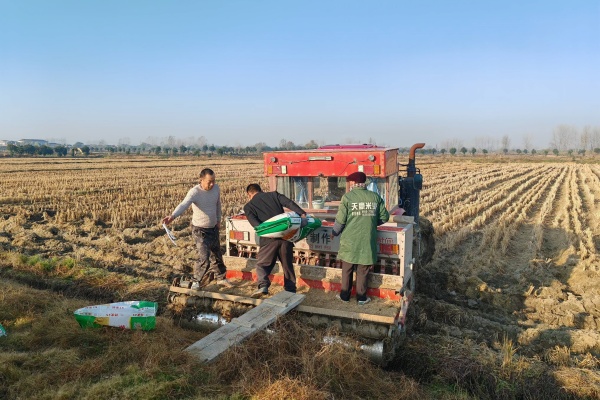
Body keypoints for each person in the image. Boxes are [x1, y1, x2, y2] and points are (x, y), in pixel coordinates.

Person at [162, 168, 232, 290]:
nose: (212, 184)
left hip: (213, 227)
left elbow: (218, 204)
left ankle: (221, 278)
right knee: (204, 258)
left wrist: (218, 220)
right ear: (201, 180)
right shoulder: (194, 192)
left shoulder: (216, 189)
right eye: (209, 181)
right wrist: (173, 216)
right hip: (199, 230)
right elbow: (183, 204)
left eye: (214, 181)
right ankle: (196, 281)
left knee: (217, 255)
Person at [331, 171, 389, 305]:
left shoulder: (347, 198)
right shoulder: (375, 197)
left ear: (353, 183)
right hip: (366, 240)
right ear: (364, 183)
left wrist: (334, 233)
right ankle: (361, 298)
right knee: (363, 270)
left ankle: (345, 296)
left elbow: (340, 220)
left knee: (347, 269)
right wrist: (372, 222)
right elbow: (385, 217)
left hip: (350, 240)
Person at [243, 183, 307, 298]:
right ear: (260, 190)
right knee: (287, 266)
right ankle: (290, 291)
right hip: (286, 237)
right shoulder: (274, 195)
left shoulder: (249, 206)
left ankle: (263, 286)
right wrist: (302, 213)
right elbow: (289, 203)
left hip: (269, 240)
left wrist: (268, 232)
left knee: (262, 265)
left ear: (249, 194)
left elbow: (256, 225)